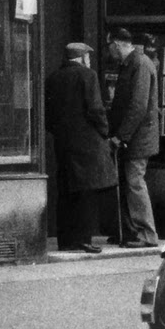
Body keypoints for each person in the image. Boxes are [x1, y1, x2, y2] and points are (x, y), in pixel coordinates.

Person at [44, 42, 116, 254]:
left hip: (63, 143)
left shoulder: (53, 78)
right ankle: (83, 239)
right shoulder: (88, 75)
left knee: (66, 190)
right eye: (88, 57)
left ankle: (65, 240)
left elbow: (48, 115)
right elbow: (95, 108)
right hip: (87, 143)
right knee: (86, 191)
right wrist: (105, 131)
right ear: (82, 57)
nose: (90, 61)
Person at [106, 26, 161, 248]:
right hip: (133, 137)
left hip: (137, 139)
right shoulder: (131, 64)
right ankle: (130, 231)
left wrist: (121, 136)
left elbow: (138, 106)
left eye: (109, 45)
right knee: (130, 182)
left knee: (135, 182)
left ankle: (147, 234)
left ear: (117, 44)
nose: (108, 51)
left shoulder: (139, 64)